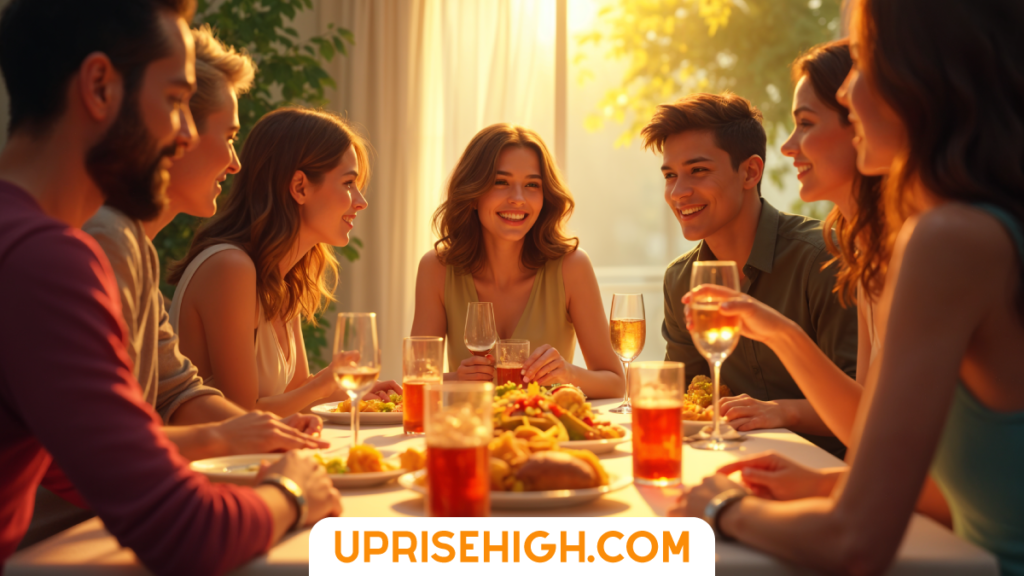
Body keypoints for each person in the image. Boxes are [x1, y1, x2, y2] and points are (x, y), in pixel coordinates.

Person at [675, 0, 1024, 573]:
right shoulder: (958, 232)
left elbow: (855, 543)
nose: (849, 92)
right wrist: (824, 486)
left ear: (917, 74)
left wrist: (717, 506)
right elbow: (951, 495)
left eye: (861, 61)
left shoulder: (948, 239)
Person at [0, 0, 340, 572]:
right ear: (100, 87)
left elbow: (87, 456)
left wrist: (230, 441)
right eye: (177, 101)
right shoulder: (44, 260)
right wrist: (293, 492)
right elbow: (184, 533)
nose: (185, 134)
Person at [81, 25, 327, 461]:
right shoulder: (103, 239)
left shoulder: (136, 248)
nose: (235, 163)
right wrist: (245, 443)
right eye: (230, 137)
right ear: (176, 129)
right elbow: (102, 440)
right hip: (74, 522)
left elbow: (178, 392)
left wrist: (266, 429)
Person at [649, 92, 858, 456]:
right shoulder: (681, 280)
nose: (679, 192)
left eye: (698, 171)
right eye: (670, 175)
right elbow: (689, 398)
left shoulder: (823, 259)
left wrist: (785, 411)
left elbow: (868, 407)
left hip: (831, 471)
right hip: (733, 463)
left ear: (750, 171)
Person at [168, 107, 399, 415]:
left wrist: (351, 390)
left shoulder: (282, 277)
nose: (361, 201)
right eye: (348, 183)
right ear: (300, 187)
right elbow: (242, 415)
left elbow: (296, 398)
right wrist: (326, 382)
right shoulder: (229, 267)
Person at [411, 124, 624, 398]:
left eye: (532, 185)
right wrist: (456, 379)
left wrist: (568, 374)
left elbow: (616, 383)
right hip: (469, 435)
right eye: (501, 182)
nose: (518, 199)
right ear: (473, 194)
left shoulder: (572, 267)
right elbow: (414, 380)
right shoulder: (436, 269)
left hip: (546, 437)